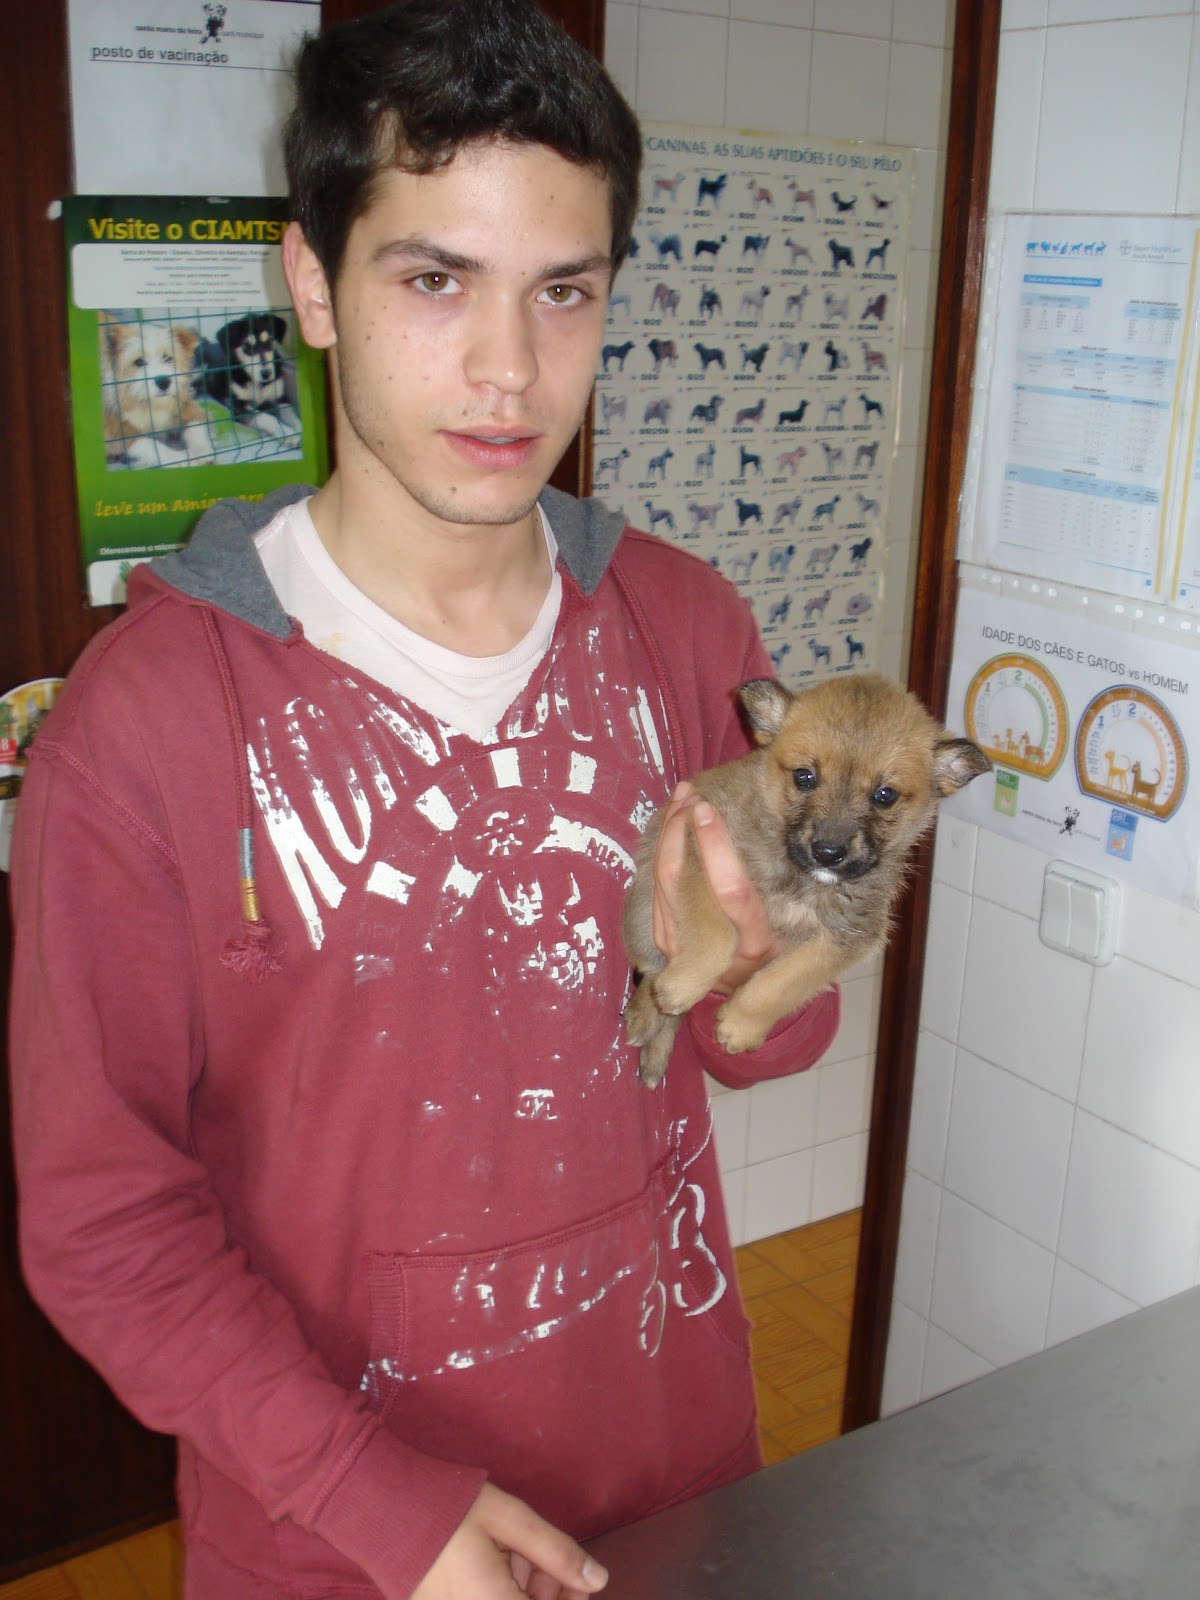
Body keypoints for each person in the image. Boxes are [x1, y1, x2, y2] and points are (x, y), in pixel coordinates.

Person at [8, 3, 839, 1596]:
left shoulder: (684, 630)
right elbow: (104, 1223)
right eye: (435, 279)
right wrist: (382, 1506)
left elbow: (769, 1040)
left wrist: (754, 967)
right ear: (315, 285)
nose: (509, 368)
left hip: (671, 1488)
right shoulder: (145, 725)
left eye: (563, 290)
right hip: (336, 1535)